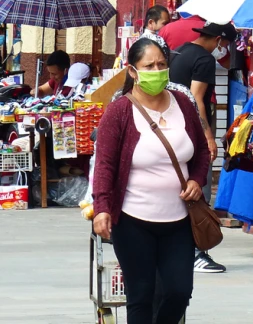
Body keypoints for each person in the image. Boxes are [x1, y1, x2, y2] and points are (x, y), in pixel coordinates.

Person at [92, 38, 210, 324]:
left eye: (161, 64)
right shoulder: (119, 111)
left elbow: (202, 151)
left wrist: (196, 179)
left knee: (178, 292)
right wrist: (103, 207)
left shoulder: (182, 102)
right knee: (141, 295)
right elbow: (104, 164)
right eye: (149, 66)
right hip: (133, 220)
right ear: (133, 71)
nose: (157, 71)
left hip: (179, 219)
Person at [169, 21, 236, 273]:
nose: (225, 51)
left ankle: (181, 250)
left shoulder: (179, 52)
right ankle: (197, 253)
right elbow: (196, 98)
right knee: (199, 190)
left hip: (171, 129)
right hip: (191, 133)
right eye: (226, 45)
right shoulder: (204, 60)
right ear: (219, 40)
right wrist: (208, 136)